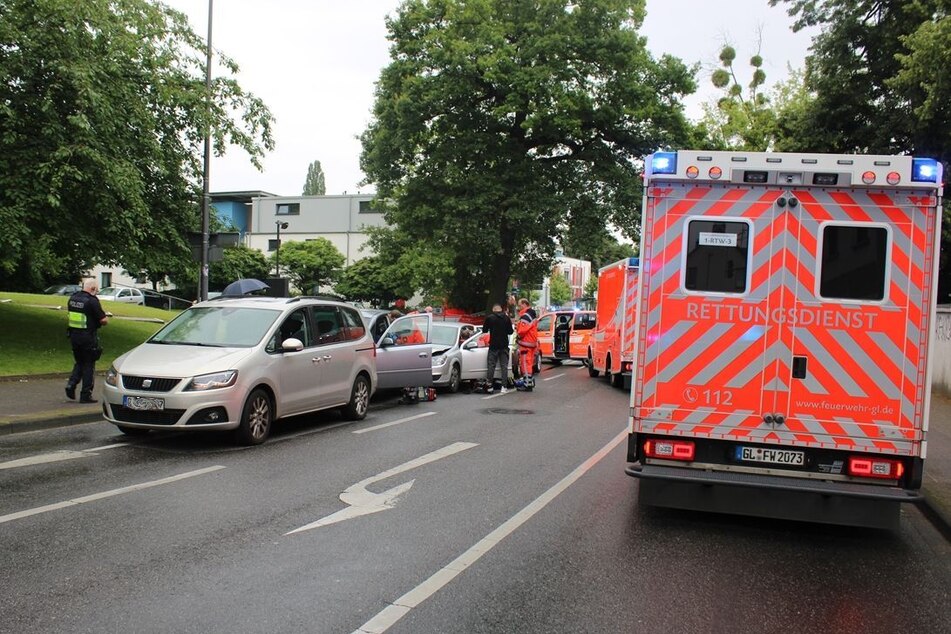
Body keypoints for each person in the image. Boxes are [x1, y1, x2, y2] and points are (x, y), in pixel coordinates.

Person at [65, 279, 109, 403]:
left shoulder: (73, 299)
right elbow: (103, 320)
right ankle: (85, 394)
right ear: (93, 289)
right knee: (89, 364)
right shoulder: (92, 301)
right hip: (88, 337)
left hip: (74, 335)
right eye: (97, 290)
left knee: (79, 362)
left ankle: (71, 385)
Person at [482, 303, 513, 393]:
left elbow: (484, 330)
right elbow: (510, 332)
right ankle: (504, 387)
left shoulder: (490, 318)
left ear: (493, 310)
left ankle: (489, 386)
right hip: (504, 345)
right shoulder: (506, 318)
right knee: (504, 366)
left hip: (493, 345)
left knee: (491, 365)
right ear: (500, 309)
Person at [515, 298, 539, 391]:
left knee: (525, 364)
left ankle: (527, 384)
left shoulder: (525, 316)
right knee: (529, 363)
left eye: (520, 305)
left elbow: (522, 331)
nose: (519, 307)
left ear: (525, 304)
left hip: (526, 344)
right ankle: (529, 382)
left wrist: (518, 329)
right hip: (531, 343)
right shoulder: (532, 314)